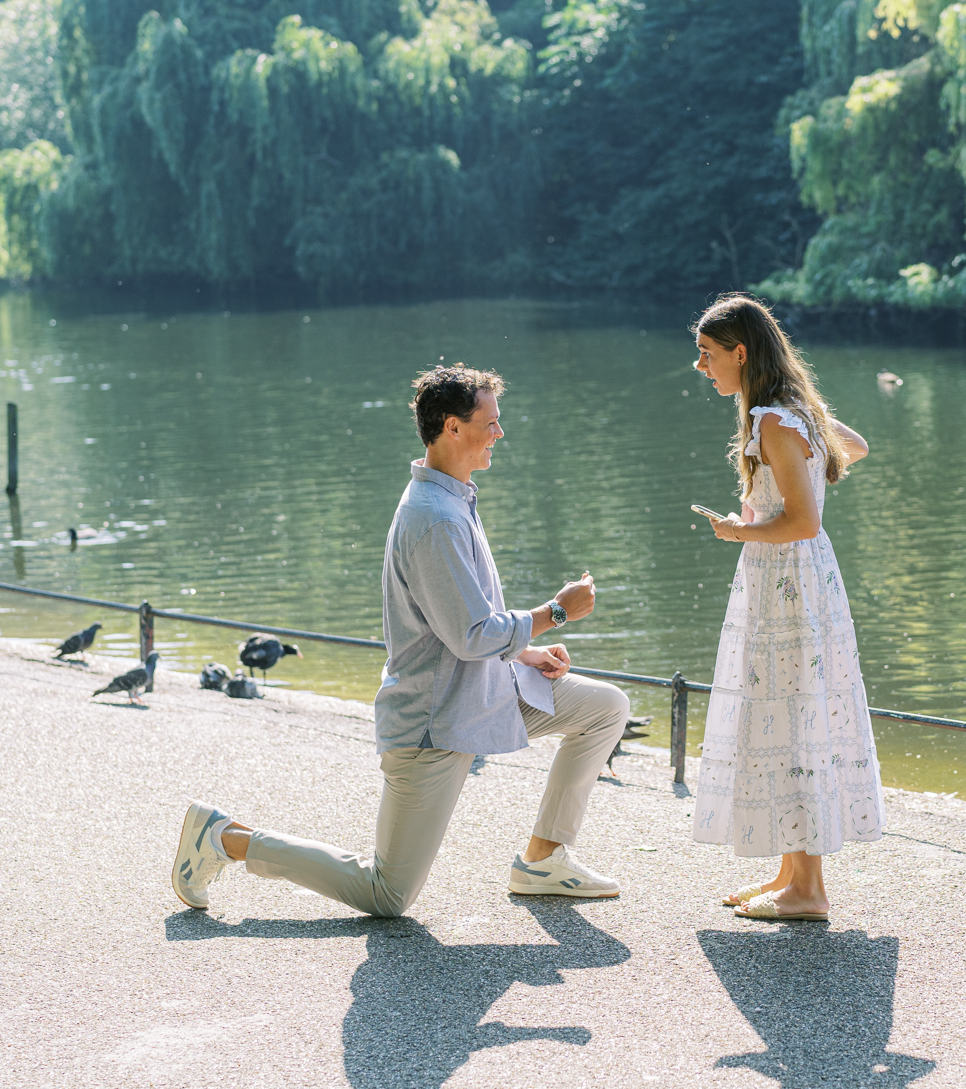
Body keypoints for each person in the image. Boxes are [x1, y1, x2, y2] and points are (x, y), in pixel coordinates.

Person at [171, 364, 630, 916]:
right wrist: (555, 611)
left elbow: (463, 623)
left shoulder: (454, 499)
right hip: (433, 724)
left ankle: (542, 859)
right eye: (490, 422)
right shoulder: (435, 517)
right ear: (452, 428)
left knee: (605, 708)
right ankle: (223, 839)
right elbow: (470, 635)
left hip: (484, 692)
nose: (499, 433)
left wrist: (524, 650)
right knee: (386, 894)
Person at [689, 294, 883, 920]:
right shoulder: (787, 414)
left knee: (795, 718)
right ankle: (789, 873)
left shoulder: (774, 420)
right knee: (791, 713)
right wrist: (806, 438)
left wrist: (738, 530)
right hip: (800, 583)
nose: (702, 366)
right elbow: (853, 445)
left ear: (741, 352)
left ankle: (809, 891)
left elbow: (799, 523)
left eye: (709, 353)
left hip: (788, 585)